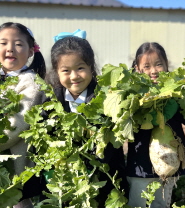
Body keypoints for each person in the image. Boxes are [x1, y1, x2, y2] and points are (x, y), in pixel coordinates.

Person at [43, 30, 128, 207]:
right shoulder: (51, 100)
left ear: (91, 66)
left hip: (104, 179)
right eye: (66, 71)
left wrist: (87, 163)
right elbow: (43, 134)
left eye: (80, 68)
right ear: (57, 72)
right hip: (64, 183)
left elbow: (110, 145)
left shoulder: (105, 99)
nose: (74, 76)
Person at [126, 42, 185, 208]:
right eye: (146, 66)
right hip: (140, 165)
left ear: (166, 65)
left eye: (158, 64)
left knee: (161, 203)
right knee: (138, 202)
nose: (154, 71)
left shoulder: (176, 91)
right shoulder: (132, 94)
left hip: (169, 163)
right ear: (137, 68)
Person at [0, 22, 46, 208]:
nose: (10, 49)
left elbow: (15, 127)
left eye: (18, 44)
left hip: (17, 170)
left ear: (31, 51)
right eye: (3, 43)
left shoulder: (31, 84)